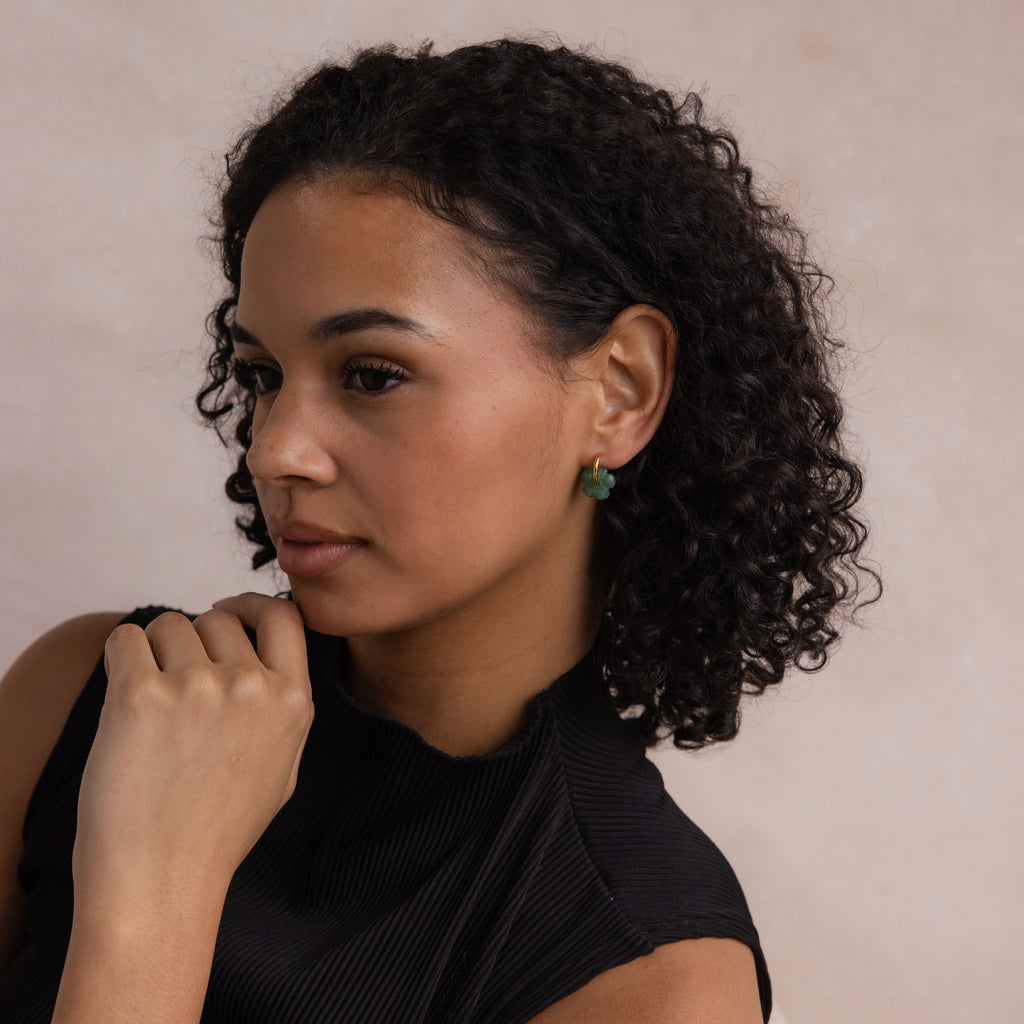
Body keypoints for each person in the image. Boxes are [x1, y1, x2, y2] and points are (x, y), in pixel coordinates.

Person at [0, 38, 876, 1024]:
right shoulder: (97, 696)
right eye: (263, 375)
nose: (275, 449)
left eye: (373, 374)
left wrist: (151, 896)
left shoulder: (650, 976)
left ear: (619, 392)